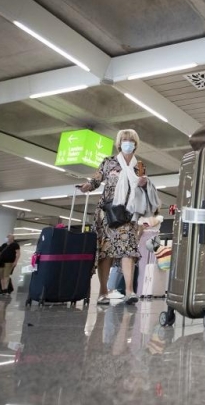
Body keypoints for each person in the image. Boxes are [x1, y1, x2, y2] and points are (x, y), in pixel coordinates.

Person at [78, 129, 159, 306]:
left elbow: (143, 187)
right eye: (124, 140)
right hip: (107, 213)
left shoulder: (140, 165)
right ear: (119, 143)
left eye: (131, 140)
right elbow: (96, 179)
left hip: (128, 214)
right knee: (106, 252)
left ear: (136, 144)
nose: (128, 143)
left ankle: (129, 291)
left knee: (128, 250)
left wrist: (145, 185)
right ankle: (103, 292)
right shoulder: (109, 162)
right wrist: (87, 186)